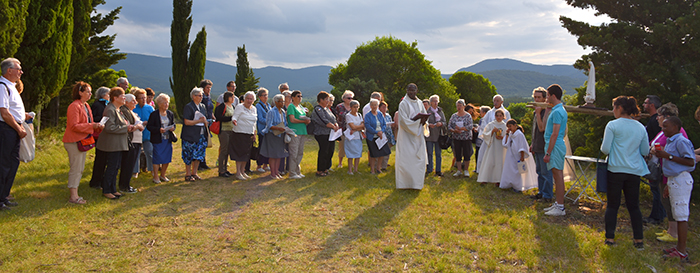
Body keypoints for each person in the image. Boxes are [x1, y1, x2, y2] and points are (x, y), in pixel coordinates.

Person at [653, 116, 695, 261]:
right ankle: (678, 247)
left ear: (676, 127)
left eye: (666, 126)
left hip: (681, 179)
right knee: (676, 213)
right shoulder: (671, 141)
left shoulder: (681, 141)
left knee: (681, 215)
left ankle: (682, 251)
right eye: (662, 126)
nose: (663, 129)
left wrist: (668, 156)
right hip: (673, 180)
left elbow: (690, 161)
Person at [649, 103, 688, 242]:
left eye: (659, 116)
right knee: (665, 200)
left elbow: (675, 152)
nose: (657, 119)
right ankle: (671, 230)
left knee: (671, 201)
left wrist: (659, 152)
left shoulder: (678, 134)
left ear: (667, 117)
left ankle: (674, 233)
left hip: (671, 172)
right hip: (663, 169)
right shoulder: (664, 131)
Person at [62, 82, 103, 204]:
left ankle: (74, 193)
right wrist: (93, 125)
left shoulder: (85, 106)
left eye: (91, 92)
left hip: (81, 141)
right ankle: (73, 196)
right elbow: (74, 125)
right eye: (88, 91)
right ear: (80, 92)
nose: (90, 94)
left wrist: (96, 126)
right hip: (74, 141)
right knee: (76, 168)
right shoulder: (74, 106)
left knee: (80, 168)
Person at [97, 87, 134, 199]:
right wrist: (126, 128)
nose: (124, 98)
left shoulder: (118, 109)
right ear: (115, 98)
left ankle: (113, 189)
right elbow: (109, 127)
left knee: (116, 166)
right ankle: (107, 190)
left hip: (118, 144)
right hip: (112, 144)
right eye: (122, 96)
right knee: (112, 167)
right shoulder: (110, 110)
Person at [395, 83, 429, 189]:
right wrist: (416, 124)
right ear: (406, 90)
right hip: (406, 136)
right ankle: (405, 184)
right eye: (409, 90)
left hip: (418, 135)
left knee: (419, 159)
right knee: (407, 160)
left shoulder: (419, 103)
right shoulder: (403, 104)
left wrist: (424, 122)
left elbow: (425, 115)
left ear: (417, 91)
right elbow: (403, 121)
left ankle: (417, 184)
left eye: (413, 90)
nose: (411, 92)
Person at [542, 84, 568, 216]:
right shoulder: (557, 110)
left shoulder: (558, 111)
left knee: (558, 177)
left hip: (555, 147)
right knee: (556, 175)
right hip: (555, 145)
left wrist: (548, 153)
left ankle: (560, 206)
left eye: (547, 95)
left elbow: (555, 134)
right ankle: (558, 204)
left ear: (553, 95)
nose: (546, 98)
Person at [641, 95, 663, 225]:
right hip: (654, 158)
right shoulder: (653, 120)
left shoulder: (655, 121)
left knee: (656, 189)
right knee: (655, 189)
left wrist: (649, 150)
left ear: (652, 105)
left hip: (655, 160)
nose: (643, 105)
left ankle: (657, 216)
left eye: (645, 103)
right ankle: (658, 215)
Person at [500, 119, 538, 191]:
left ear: (515, 126)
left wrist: (522, 156)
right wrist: (507, 134)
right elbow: (505, 144)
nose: (509, 128)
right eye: (508, 127)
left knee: (517, 171)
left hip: (517, 155)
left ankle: (518, 186)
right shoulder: (511, 134)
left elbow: (522, 146)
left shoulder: (519, 134)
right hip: (510, 155)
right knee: (510, 170)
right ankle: (510, 183)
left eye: (510, 126)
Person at [530, 87, 553, 202]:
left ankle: (547, 195)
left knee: (546, 172)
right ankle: (541, 192)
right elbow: (534, 129)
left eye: (539, 97)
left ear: (544, 99)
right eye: (535, 97)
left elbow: (541, 128)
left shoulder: (546, 111)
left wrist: (539, 113)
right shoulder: (536, 111)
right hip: (537, 145)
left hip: (544, 145)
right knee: (539, 171)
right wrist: (532, 143)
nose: (536, 99)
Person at [476, 95, 511, 170]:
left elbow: (507, 125)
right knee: (486, 155)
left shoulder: (506, 113)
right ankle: (486, 170)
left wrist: (502, 134)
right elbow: (484, 124)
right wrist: (490, 132)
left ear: (501, 102)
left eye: (497, 101)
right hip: (490, 137)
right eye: (494, 101)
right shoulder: (489, 112)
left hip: (500, 138)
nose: (495, 102)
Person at [181, 87, 209, 181]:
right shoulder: (189, 107)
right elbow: (186, 122)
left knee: (198, 155)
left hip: (200, 134)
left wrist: (205, 122)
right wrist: (198, 121)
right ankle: (188, 174)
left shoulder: (202, 107)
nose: (201, 97)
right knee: (188, 154)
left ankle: (195, 173)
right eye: (199, 95)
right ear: (193, 96)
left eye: (202, 95)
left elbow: (204, 118)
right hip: (190, 135)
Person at [147, 94, 175, 184]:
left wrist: (172, 128)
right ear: (159, 104)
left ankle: (163, 175)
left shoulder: (170, 113)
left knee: (167, 157)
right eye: (164, 103)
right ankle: (155, 176)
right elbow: (149, 126)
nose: (166, 104)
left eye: (167, 102)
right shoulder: (154, 114)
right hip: (158, 139)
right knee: (157, 157)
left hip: (167, 139)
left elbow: (173, 124)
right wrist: (158, 130)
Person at [119, 93, 144, 193]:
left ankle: (126, 184)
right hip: (131, 141)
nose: (135, 102)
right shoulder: (124, 111)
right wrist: (138, 126)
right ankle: (124, 186)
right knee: (128, 164)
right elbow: (130, 127)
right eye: (133, 101)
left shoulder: (131, 111)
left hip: (136, 141)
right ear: (126, 102)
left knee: (130, 164)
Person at [260, 94, 289, 179]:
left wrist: (286, 130)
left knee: (279, 154)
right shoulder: (271, 112)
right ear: (276, 102)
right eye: (280, 101)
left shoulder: (283, 112)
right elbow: (269, 125)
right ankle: (273, 173)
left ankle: (277, 172)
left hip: (281, 135)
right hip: (272, 135)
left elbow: (285, 123)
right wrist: (278, 128)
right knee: (273, 155)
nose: (282, 103)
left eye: (283, 101)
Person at [311, 91, 339, 176]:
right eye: (326, 99)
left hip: (330, 134)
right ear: (321, 100)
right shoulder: (318, 109)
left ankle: (326, 168)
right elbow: (323, 120)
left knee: (330, 151)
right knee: (324, 151)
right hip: (322, 134)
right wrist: (332, 126)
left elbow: (333, 118)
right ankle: (320, 170)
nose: (328, 101)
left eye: (329, 99)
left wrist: (336, 124)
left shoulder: (327, 109)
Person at [231, 91, 258, 180]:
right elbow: (234, 116)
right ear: (244, 99)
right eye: (247, 98)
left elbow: (254, 122)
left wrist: (254, 133)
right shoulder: (239, 107)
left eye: (251, 99)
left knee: (246, 154)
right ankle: (238, 172)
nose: (249, 100)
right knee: (239, 153)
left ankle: (243, 171)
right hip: (239, 133)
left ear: (253, 100)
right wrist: (234, 121)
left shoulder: (254, 109)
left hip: (249, 134)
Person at [88, 86, 111, 189]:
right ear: (103, 95)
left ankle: (101, 180)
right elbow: (93, 118)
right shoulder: (98, 104)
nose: (109, 96)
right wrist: (103, 119)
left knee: (104, 159)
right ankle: (96, 181)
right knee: (100, 159)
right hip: (99, 134)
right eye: (108, 94)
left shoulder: (106, 104)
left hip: (105, 134)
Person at [476, 109, 507, 184]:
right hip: (492, 145)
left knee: (499, 162)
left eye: (500, 116)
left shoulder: (505, 126)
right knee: (489, 161)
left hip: (500, 146)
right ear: (495, 116)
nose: (499, 117)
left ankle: (498, 179)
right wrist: (492, 132)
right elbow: (485, 134)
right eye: (497, 116)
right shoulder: (491, 124)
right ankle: (486, 178)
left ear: (503, 116)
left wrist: (502, 138)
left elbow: (507, 136)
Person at [287, 90, 310, 179]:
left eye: (301, 96)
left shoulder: (300, 106)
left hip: (302, 131)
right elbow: (292, 119)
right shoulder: (291, 106)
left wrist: (307, 120)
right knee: (294, 152)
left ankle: (297, 170)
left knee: (300, 152)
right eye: (298, 96)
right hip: (294, 132)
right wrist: (303, 121)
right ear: (293, 98)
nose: (300, 98)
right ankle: (292, 173)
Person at [132, 88, 155, 178]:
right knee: (136, 153)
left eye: (144, 97)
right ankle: (135, 171)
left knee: (149, 152)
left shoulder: (150, 108)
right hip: (136, 135)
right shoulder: (134, 108)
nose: (144, 100)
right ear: (137, 99)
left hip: (147, 134)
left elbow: (154, 120)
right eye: (141, 98)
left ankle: (152, 169)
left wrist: (147, 122)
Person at [365, 98, 391, 174]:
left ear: (377, 106)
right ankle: (372, 170)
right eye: (372, 105)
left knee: (382, 153)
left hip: (381, 136)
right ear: (370, 106)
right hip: (372, 137)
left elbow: (383, 124)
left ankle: (378, 168)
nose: (374, 106)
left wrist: (381, 131)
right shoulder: (368, 115)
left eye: (375, 105)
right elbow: (368, 126)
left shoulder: (379, 114)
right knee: (373, 154)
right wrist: (376, 132)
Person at [448, 99, 473, 177]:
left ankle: (466, 170)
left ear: (464, 106)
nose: (458, 107)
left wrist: (462, 128)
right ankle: (459, 170)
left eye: (460, 106)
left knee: (467, 154)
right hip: (457, 138)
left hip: (466, 138)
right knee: (457, 154)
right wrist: (454, 130)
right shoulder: (454, 116)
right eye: (457, 106)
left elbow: (470, 126)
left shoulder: (468, 115)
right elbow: (449, 126)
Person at [424, 95, 447, 176]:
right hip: (429, 136)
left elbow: (444, 122)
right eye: (434, 101)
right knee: (429, 153)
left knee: (438, 153)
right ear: (430, 102)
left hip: (438, 135)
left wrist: (441, 123)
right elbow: (423, 123)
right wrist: (429, 125)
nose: (435, 103)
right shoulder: (427, 111)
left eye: (437, 101)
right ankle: (429, 169)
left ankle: (438, 170)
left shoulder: (440, 111)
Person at [215, 92, 235, 177]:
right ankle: (221, 170)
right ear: (228, 97)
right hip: (224, 130)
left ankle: (225, 168)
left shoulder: (233, 107)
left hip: (231, 130)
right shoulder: (223, 106)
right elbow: (218, 117)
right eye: (232, 97)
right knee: (223, 150)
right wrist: (230, 118)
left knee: (227, 150)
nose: (233, 99)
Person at [198, 80, 214, 170]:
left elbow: (210, 110)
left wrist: (213, 117)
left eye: (210, 88)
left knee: (205, 142)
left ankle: (203, 161)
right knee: (201, 142)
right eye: (207, 88)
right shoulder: (201, 98)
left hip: (208, 122)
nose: (209, 89)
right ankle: (199, 162)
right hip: (202, 123)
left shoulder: (208, 97)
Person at [335, 90, 354, 169]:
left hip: (351, 130)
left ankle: (351, 163)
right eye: (349, 98)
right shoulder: (339, 107)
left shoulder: (353, 106)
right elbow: (336, 117)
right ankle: (340, 163)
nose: (350, 100)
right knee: (341, 146)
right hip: (342, 129)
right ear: (344, 99)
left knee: (351, 146)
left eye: (351, 98)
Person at [345, 100, 364, 175]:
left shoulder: (359, 115)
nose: (356, 109)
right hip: (351, 137)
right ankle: (350, 170)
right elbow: (352, 126)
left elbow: (363, 125)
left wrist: (355, 129)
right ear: (350, 107)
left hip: (358, 137)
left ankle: (356, 169)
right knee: (351, 154)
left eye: (357, 107)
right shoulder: (348, 116)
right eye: (354, 107)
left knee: (358, 154)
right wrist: (357, 128)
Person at [254, 88, 271, 173]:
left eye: (266, 95)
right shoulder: (258, 106)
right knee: (261, 148)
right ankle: (259, 165)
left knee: (268, 148)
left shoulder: (269, 105)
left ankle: (266, 164)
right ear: (259, 96)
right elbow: (260, 119)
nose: (265, 97)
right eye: (264, 95)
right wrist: (270, 121)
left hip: (269, 131)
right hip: (262, 130)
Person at [379, 101, 396, 171]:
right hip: (381, 135)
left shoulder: (388, 116)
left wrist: (392, 125)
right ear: (379, 108)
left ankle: (384, 166)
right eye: (383, 107)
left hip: (388, 135)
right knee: (379, 151)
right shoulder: (377, 115)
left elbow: (391, 123)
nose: (384, 108)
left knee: (387, 151)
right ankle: (377, 166)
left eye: (385, 107)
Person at [473, 106, 490, 174]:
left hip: (482, 138)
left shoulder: (484, 120)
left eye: (481, 112)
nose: (480, 113)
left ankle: (479, 168)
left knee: (480, 153)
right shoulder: (483, 120)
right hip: (481, 138)